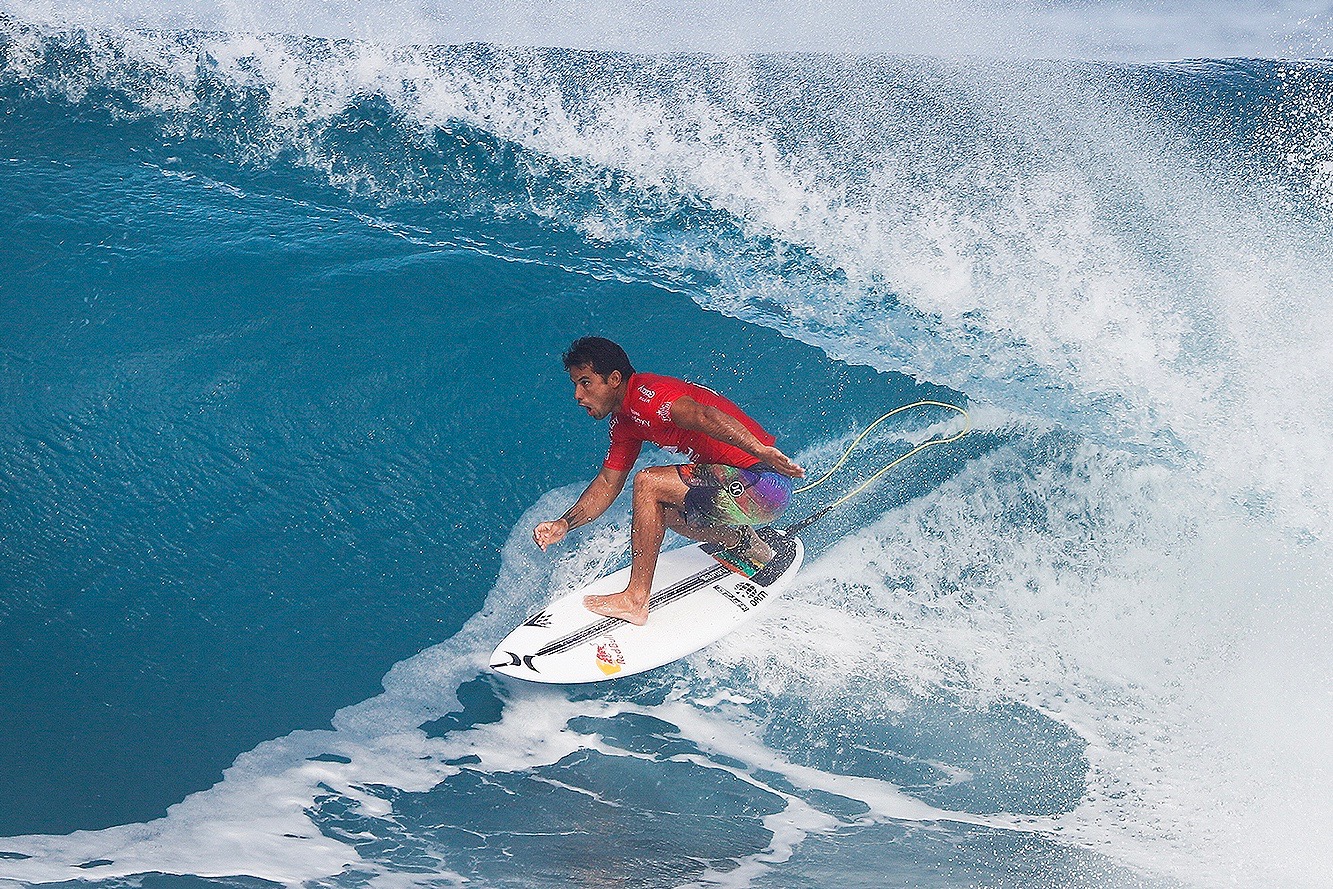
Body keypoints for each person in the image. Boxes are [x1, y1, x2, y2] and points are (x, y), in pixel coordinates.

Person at [533, 337, 805, 626]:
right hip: (741, 490)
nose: (577, 394)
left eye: (585, 382)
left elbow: (703, 415)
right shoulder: (625, 422)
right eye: (575, 384)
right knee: (666, 512)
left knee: (648, 483)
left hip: (764, 484)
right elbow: (607, 483)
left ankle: (636, 600)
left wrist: (759, 450)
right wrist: (565, 523)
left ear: (614, 379)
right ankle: (746, 544)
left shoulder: (649, 397)